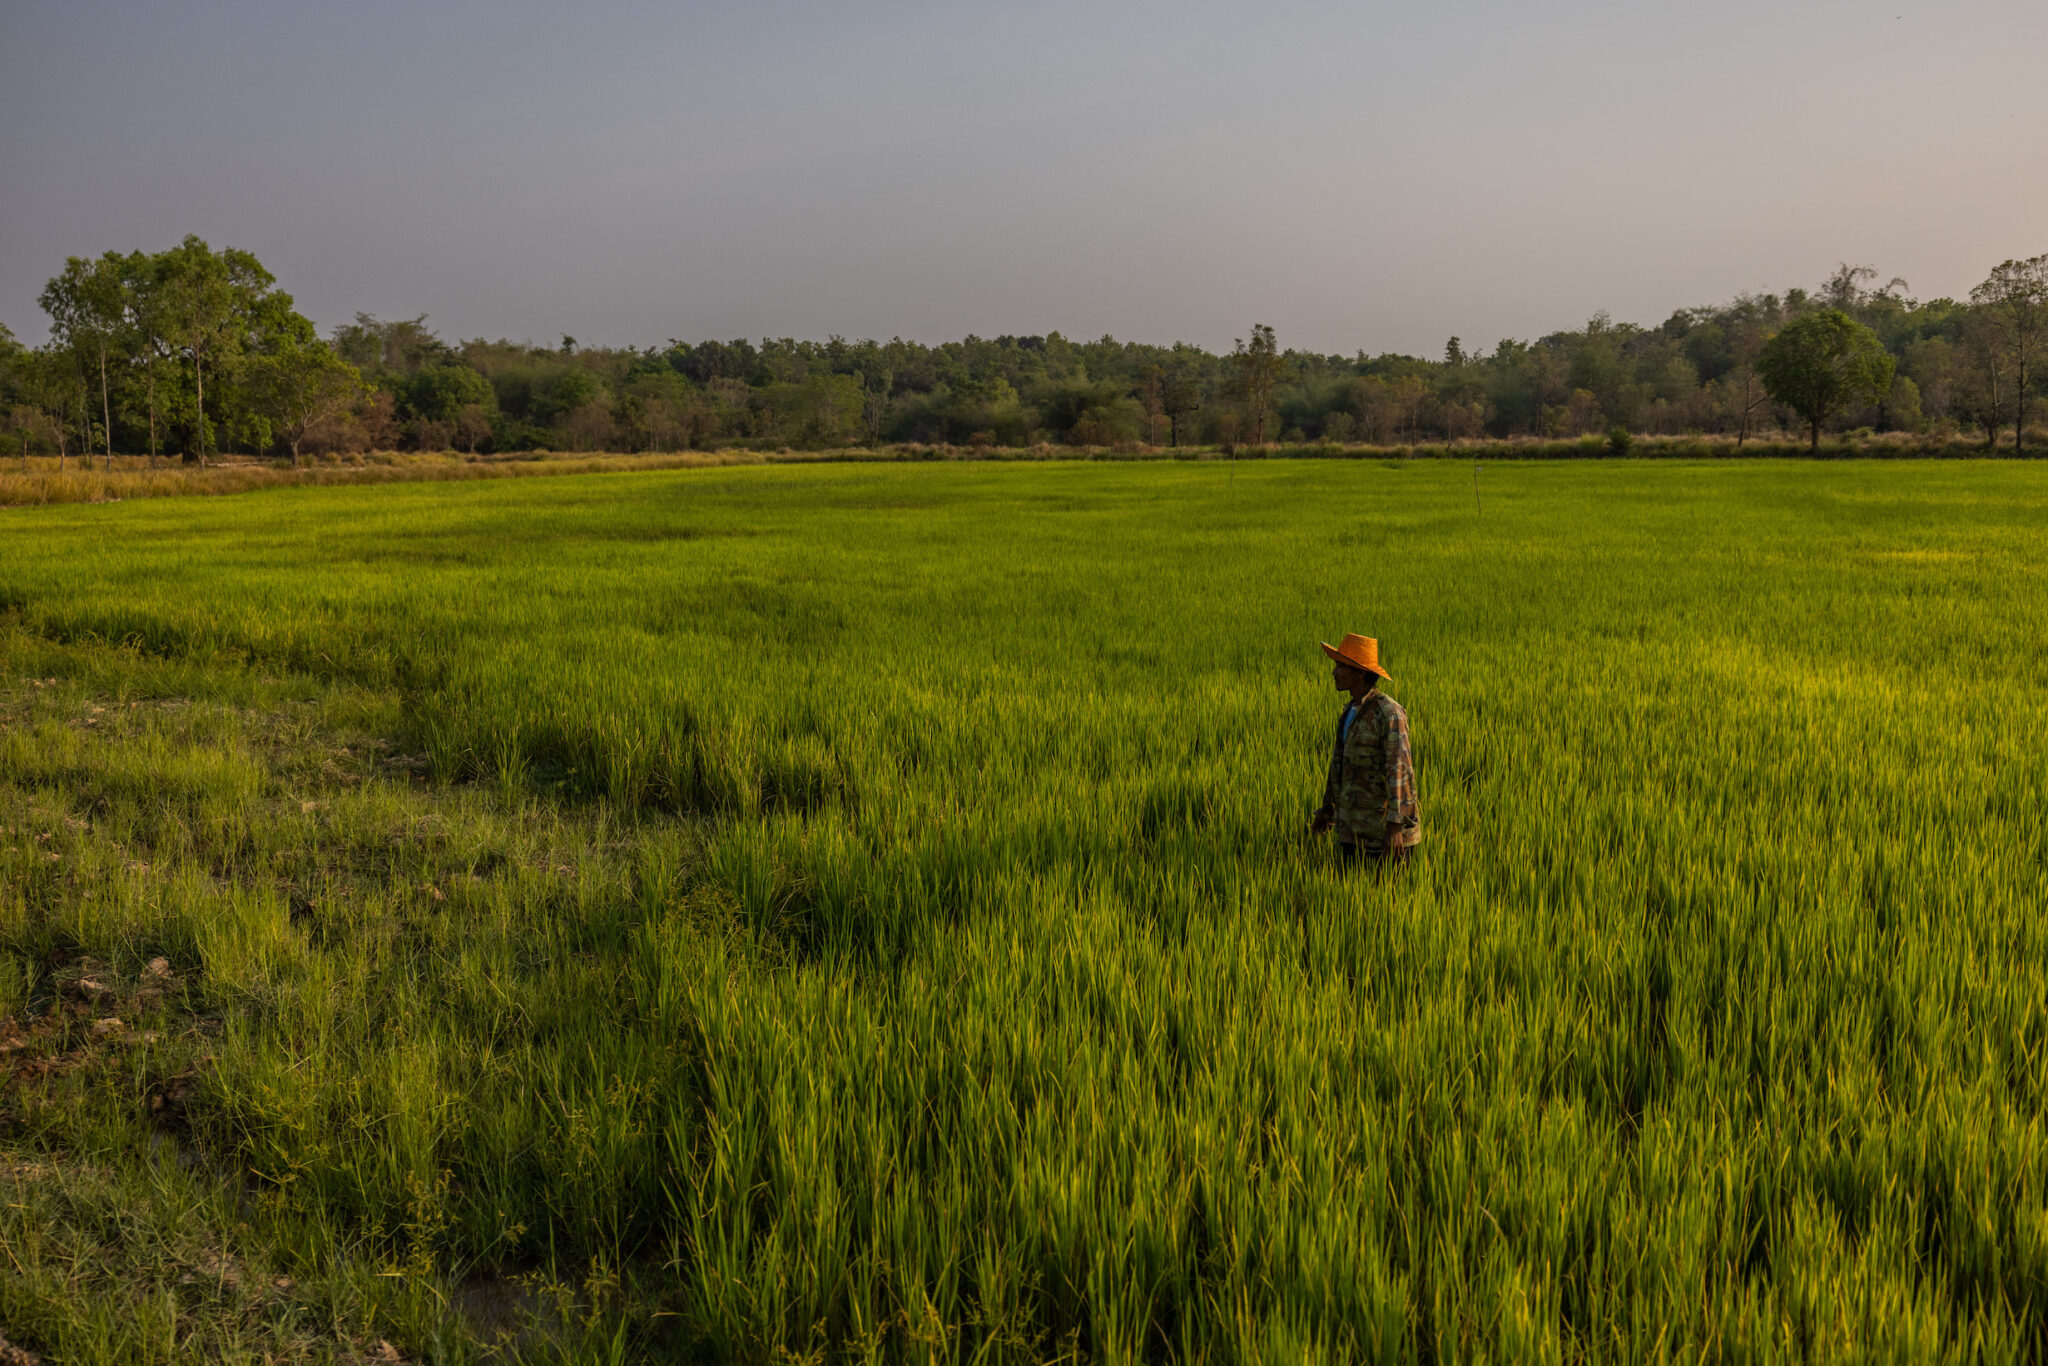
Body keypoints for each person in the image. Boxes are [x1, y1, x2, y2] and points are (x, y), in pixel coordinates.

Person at [1310, 633, 1421, 866]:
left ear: (1360, 673)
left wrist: (1395, 828)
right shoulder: (1349, 711)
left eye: (1341, 666)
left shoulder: (1389, 713)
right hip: (1352, 831)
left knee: (1386, 889)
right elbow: (1339, 766)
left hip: (1384, 837)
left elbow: (1400, 771)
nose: (1334, 672)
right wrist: (1328, 809)